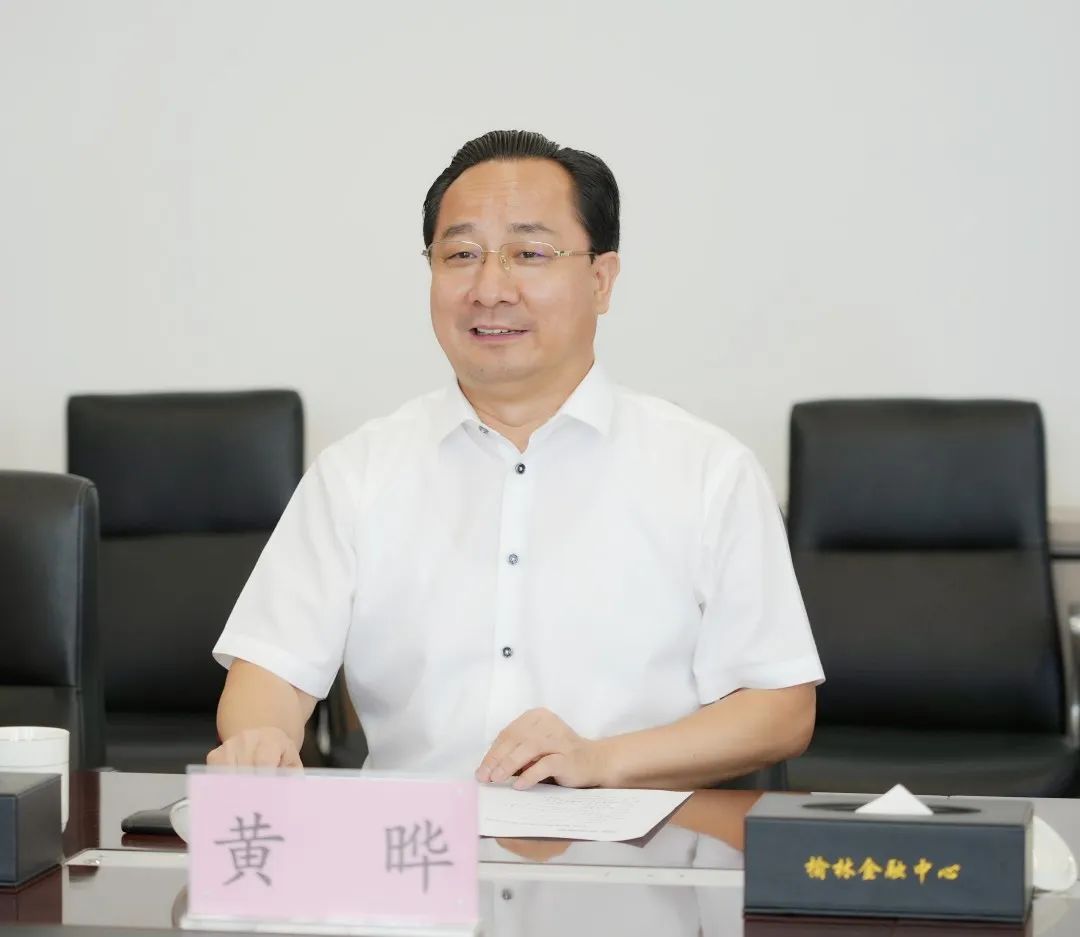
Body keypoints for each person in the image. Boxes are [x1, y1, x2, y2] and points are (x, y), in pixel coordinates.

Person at [207, 129, 823, 789]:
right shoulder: (356, 473)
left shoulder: (707, 471)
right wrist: (261, 740)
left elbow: (780, 708)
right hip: (413, 842)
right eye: (461, 254)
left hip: (632, 841)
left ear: (601, 280)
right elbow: (270, 675)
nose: (490, 288)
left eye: (529, 253)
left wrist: (602, 760)